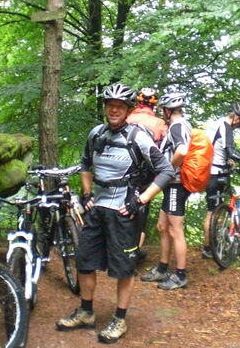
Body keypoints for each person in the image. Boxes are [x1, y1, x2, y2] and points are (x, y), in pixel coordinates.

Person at [56, 83, 174, 344]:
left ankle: (120, 319)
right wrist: (87, 193)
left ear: (129, 110)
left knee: (123, 268)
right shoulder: (96, 134)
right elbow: (85, 162)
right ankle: (86, 312)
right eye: (110, 105)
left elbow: (166, 170)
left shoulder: (138, 137)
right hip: (97, 209)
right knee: (84, 261)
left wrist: (140, 200)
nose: (114, 110)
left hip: (123, 212)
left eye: (120, 106)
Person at [140, 92, 192, 290]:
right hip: (172, 185)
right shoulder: (180, 125)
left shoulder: (177, 126)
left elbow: (182, 151)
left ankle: (180, 275)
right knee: (163, 226)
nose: (163, 113)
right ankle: (162, 268)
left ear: (168, 110)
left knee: (174, 229)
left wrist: (167, 170)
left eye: (164, 109)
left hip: (176, 184)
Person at [202, 102, 240, 259]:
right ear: (236, 119)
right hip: (216, 175)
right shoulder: (226, 127)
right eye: (239, 125)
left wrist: (226, 161)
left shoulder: (216, 124)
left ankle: (210, 247)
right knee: (213, 212)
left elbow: (215, 148)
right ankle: (209, 248)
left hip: (210, 171)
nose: (237, 128)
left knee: (213, 210)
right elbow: (231, 151)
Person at [126, 87, 168, 261]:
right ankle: (135, 250)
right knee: (141, 207)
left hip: (124, 168)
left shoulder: (127, 117)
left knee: (122, 204)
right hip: (146, 172)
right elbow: (162, 148)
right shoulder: (159, 123)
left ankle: (118, 247)